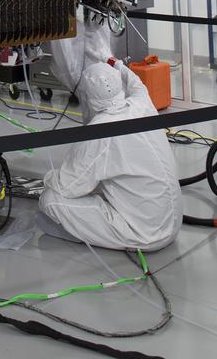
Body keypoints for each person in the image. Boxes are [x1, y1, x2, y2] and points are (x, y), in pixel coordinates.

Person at [38, 60, 183, 251]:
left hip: (146, 235)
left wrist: (47, 178)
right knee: (98, 181)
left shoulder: (101, 131)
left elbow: (67, 186)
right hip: (173, 223)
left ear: (87, 97)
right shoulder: (142, 103)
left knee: (50, 200)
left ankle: (83, 234)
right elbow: (135, 81)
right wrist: (117, 65)